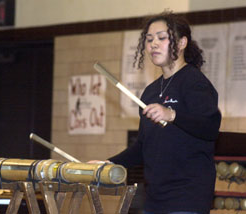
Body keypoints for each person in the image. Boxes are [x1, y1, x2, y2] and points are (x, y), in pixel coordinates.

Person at [90, 11, 221, 214]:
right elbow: (143, 146)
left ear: (182, 42)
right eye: (149, 39)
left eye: (162, 38)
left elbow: (210, 126)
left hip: (186, 197)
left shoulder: (195, 82)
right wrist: (110, 163)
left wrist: (172, 115)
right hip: (154, 198)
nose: (153, 44)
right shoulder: (151, 91)